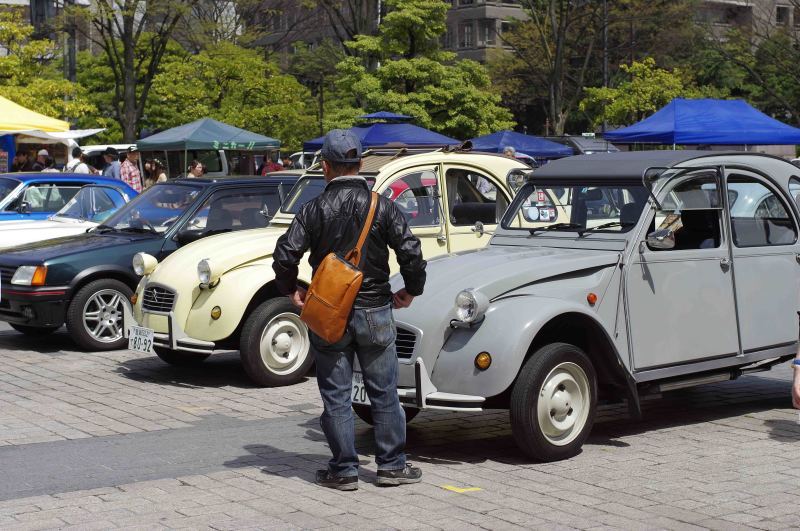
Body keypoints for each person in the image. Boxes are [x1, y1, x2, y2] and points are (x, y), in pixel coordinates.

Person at [273, 129, 427, 491]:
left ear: (325, 167)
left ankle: (344, 470)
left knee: (336, 395)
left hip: (330, 314)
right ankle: (391, 466)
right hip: (376, 310)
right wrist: (410, 290)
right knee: (385, 392)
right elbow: (411, 252)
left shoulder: (313, 209)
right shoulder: (382, 205)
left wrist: (293, 289)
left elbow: (285, 255)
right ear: (360, 164)